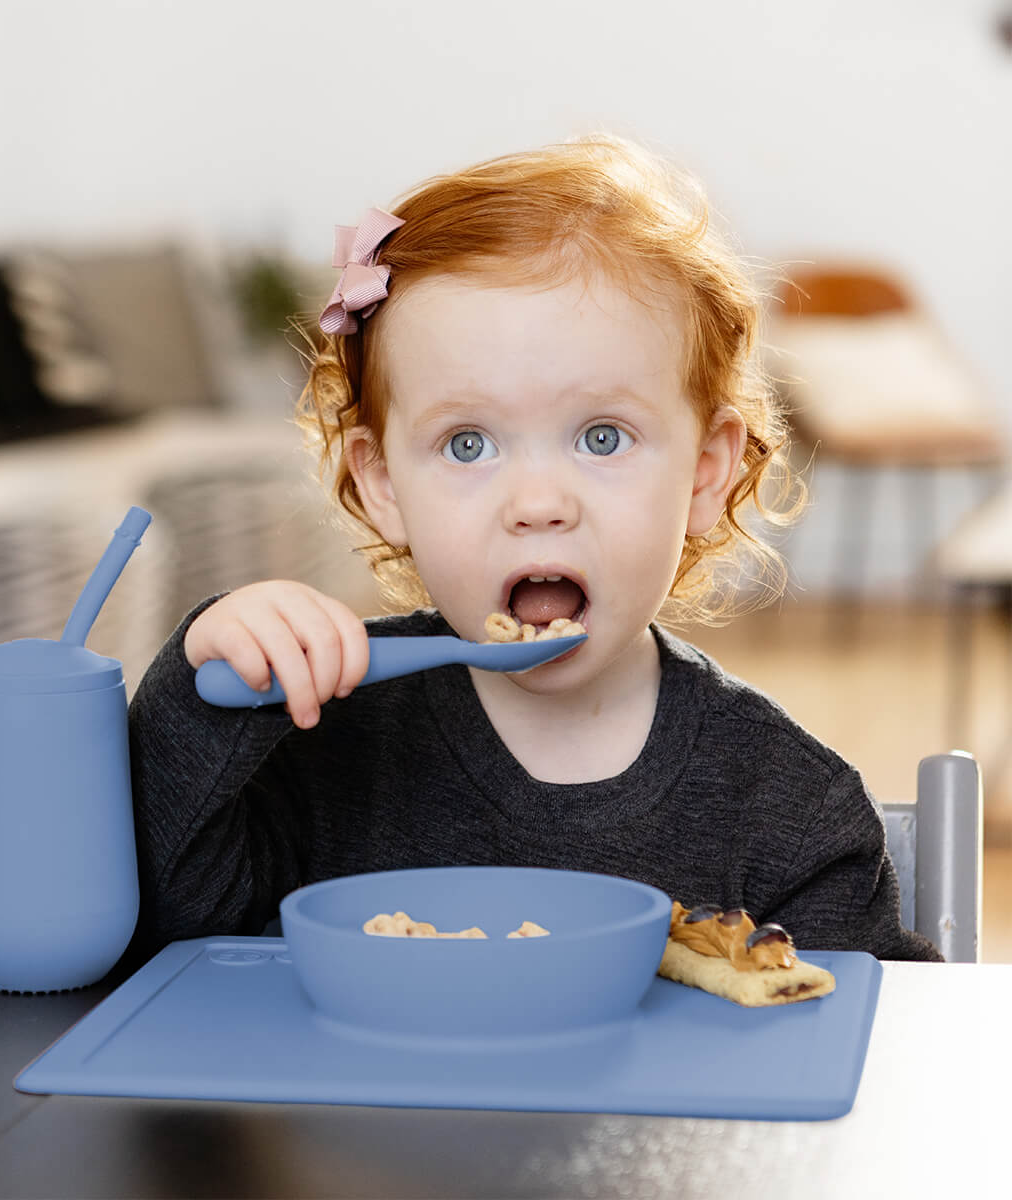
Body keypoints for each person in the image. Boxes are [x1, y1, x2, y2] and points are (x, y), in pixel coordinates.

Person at [125, 134, 941, 967]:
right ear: (382, 483)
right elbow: (167, 924)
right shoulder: (321, 738)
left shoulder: (789, 808)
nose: (539, 505)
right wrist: (203, 693)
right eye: (469, 444)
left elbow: (867, 1044)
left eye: (601, 436)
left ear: (703, 475)